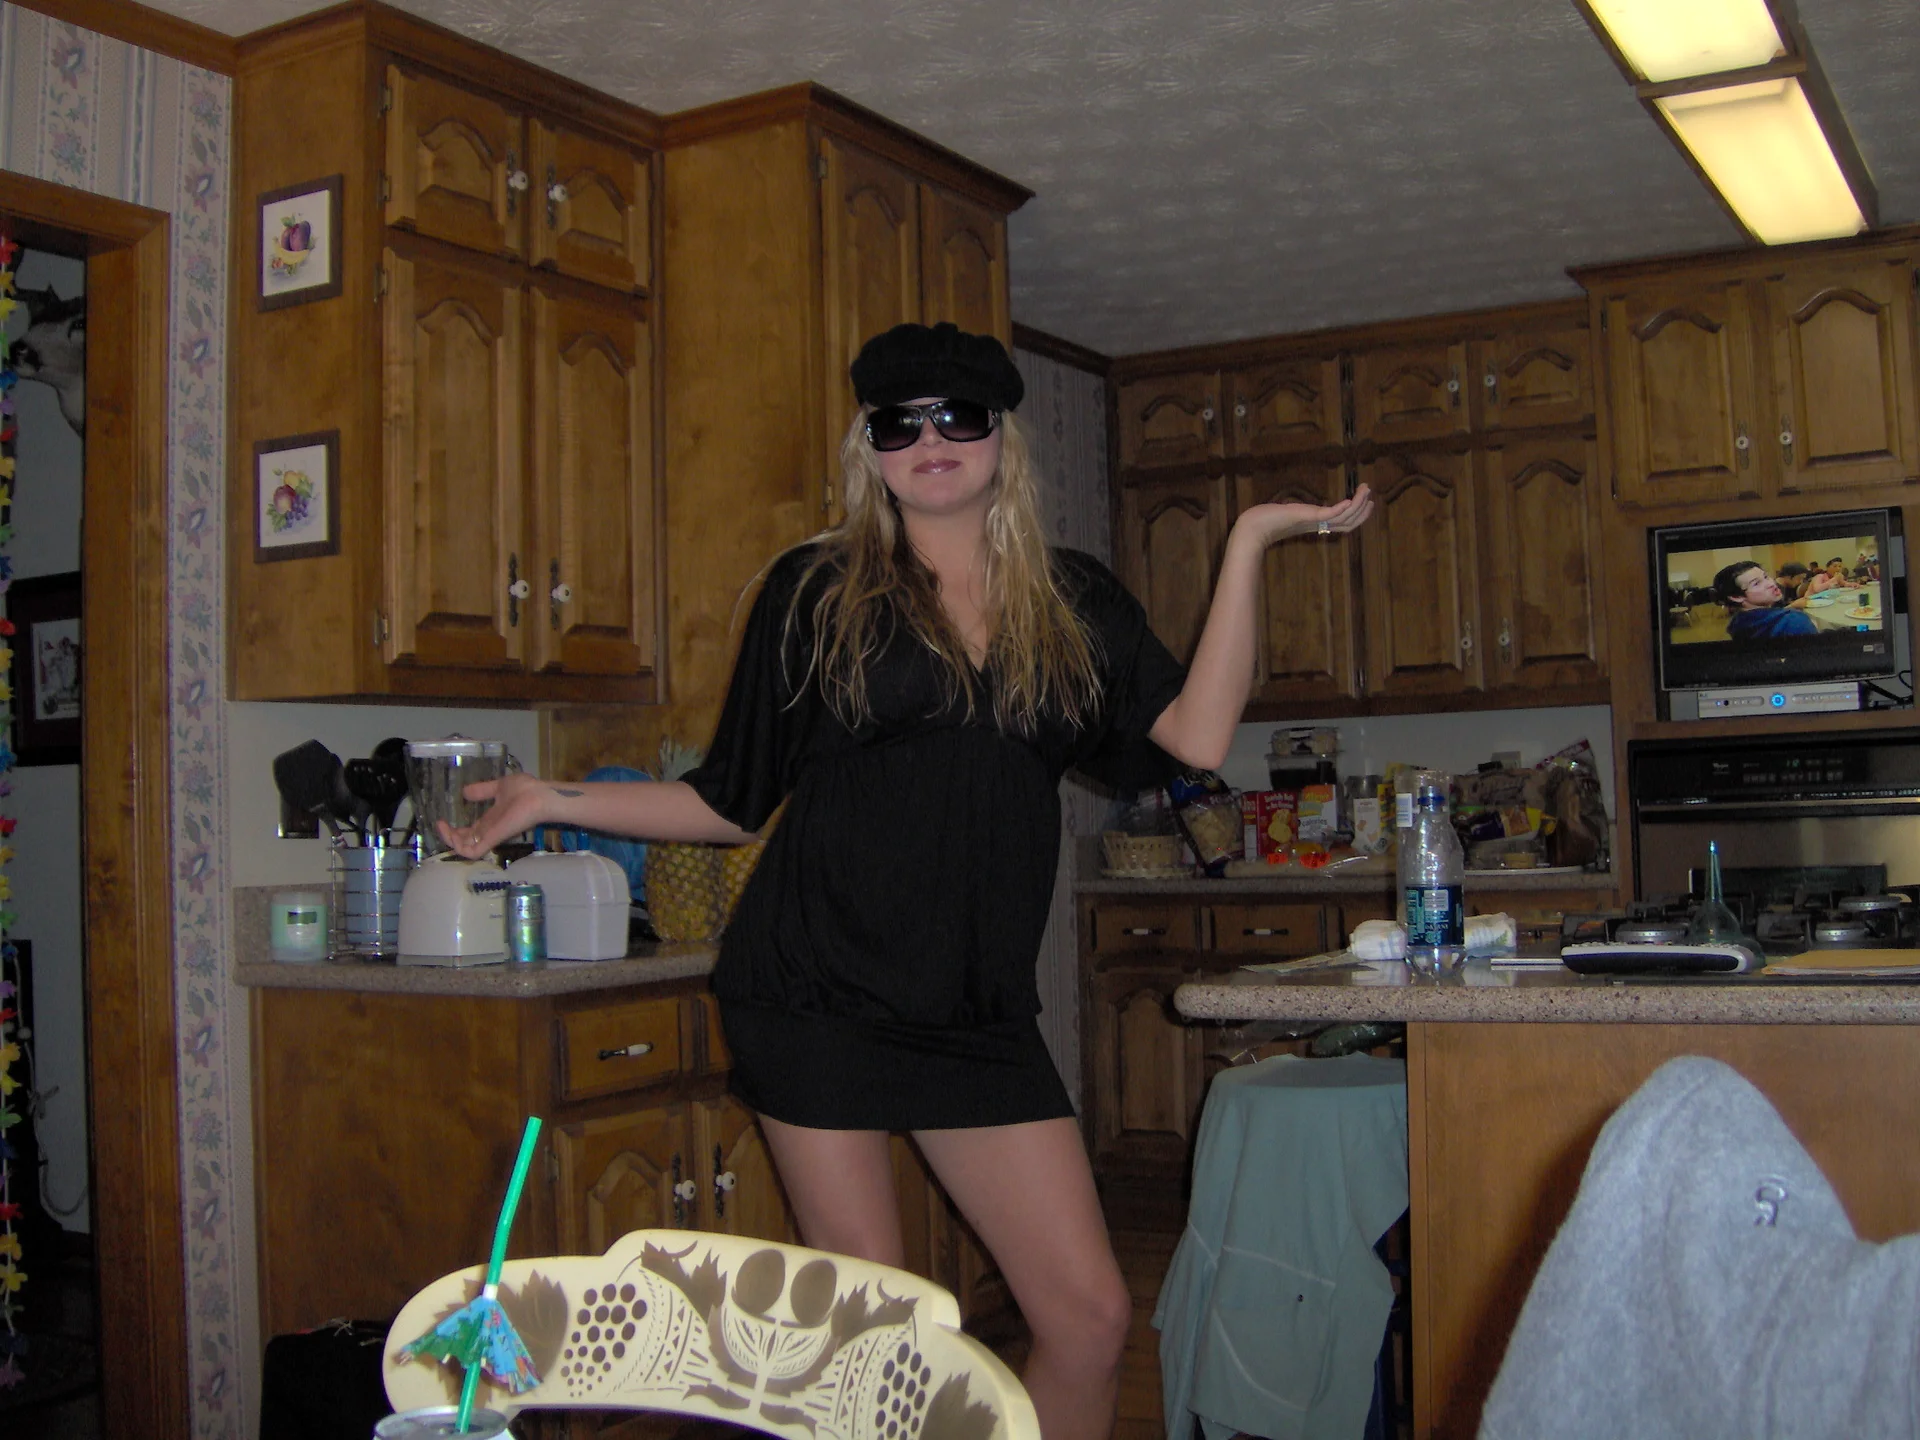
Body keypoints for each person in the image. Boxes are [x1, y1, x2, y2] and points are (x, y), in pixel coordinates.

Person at [437, 321, 1374, 1440]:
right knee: (876, 1339)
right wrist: (550, 798)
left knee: (1089, 1319)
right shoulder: (817, 591)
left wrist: (1250, 541)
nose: (931, 439)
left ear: (1001, 438)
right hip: (815, 996)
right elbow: (732, 801)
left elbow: (1200, 735)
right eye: (899, 422)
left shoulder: (1072, 602)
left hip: (973, 1014)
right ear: (870, 449)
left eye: (958, 416)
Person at [1715, 559, 1817, 641]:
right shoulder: (1793, 621)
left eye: (1766, 576)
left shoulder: (1736, 622)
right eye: (1756, 583)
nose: (1771, 583)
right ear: (1736, 597)